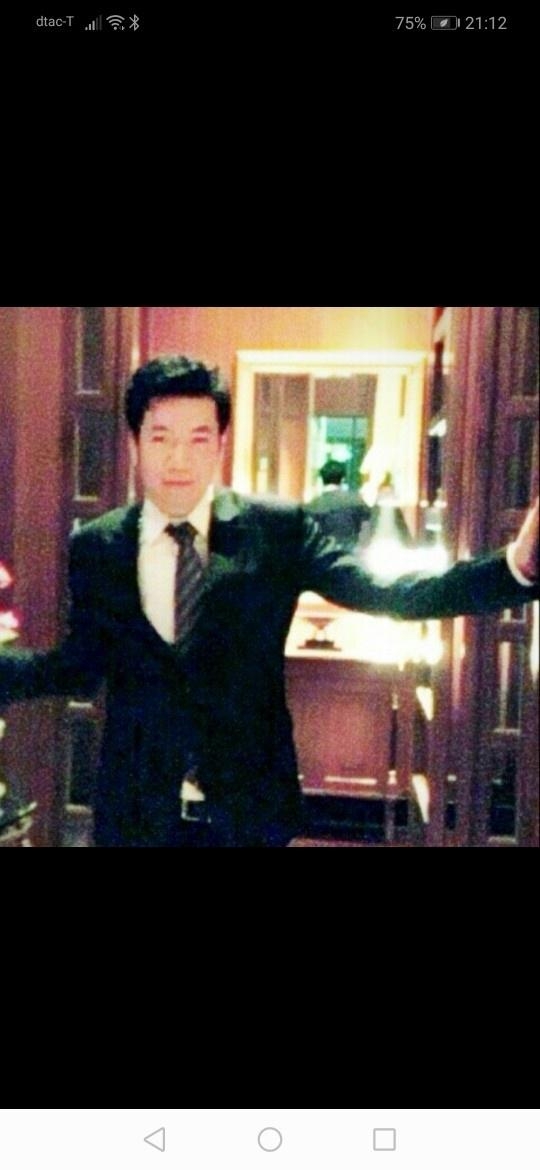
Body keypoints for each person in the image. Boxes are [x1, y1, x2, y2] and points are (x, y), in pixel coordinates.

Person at [0, 355, 538, 848]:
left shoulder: (276, 529)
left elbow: (389, 592)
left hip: (249, 810)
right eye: (161, 437)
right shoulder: (98, 546)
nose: (179, 459)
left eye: (198, 439)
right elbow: (78, 667)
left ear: (221, 444)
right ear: (135, 442)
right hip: (136, 813)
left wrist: (516, 567)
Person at [305, 459, 371, 551]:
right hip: (351, 554)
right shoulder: (357, 501)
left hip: (325, 555)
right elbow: (365, 532)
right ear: (343, 479)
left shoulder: (313, 506)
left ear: (322, 479)